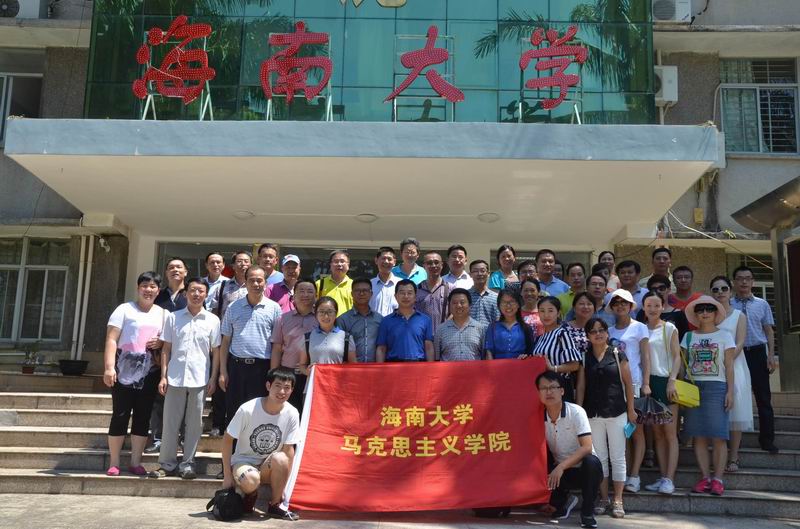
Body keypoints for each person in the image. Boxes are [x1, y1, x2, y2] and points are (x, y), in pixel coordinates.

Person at [155, 277, 220, 480]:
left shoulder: (213, 320)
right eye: (192, 290)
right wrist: (163, 376)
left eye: (201, 291)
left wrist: (213, 378)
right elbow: (166, 349)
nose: (196, 294)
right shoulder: (173, 318)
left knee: (194, 425)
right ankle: (166, 464)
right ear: (186, 293)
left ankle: (188, 464)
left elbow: (216, 352)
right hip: (174, 378)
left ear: (206, 295)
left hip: (200, 379)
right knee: (170, 423)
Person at [103, 271, 166, 477]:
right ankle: (114, 462)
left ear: (158, 290)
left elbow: (167, 343)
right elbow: (111, 339)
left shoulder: (163, 314)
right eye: (144, 286)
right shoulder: (124, 309)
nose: (148, 290)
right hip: (123, 370)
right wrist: (109, 367)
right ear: (138, 288)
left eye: (153, 286)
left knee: (143, 416)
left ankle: (135, 462)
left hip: (150, 371)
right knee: (120, 414)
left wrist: (160, 343)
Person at [221, 367, 301, 520]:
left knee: (282, 458)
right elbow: (227, 439)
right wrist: (227, 476)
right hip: (244, 462)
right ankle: (250, 495)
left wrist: (285, 486)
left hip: (268, 466)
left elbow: (289, 450)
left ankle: (275, 505)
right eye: (278, 386)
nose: (282, 392)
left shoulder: (292, 413)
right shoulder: (248, 409)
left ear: (292, 390)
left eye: (287, 388)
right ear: (268, 386)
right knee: (251, 479)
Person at [576, 317, 636, 519]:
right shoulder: (584, 357)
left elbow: (628, 384)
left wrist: (631, 410)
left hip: (617, 411)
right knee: (599, 457)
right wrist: (579, 412)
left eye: (601, 330)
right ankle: (603, 498)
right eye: (593, 331)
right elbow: (581, 386)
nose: (598, 334)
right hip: (592, 413)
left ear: (607, 333)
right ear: (588, 336)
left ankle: (618, 499)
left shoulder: (618, 354)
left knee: (618, 457)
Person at [682, 295, 736, 496]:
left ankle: (718, 479)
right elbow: (681, 364)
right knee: (698, 435)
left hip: (717, 387)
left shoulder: (725, 336)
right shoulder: (688, 336)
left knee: (719, 435)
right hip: (693, 388)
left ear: (716, 313)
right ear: (695, 314)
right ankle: (705, 477)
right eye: (700, 309)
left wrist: (730, 391)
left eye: (709, 309)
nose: (704, 313)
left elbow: (729, 366)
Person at [219, 266, 283, 429]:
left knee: (259, 413)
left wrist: (273, 373)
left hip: (262, 369)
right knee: (234, 413)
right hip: (236, 368)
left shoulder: (274, 308)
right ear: (246, 283)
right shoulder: (233, 307)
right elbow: (225, 341)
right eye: (251, 280)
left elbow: (277, 344)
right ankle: (234, 446)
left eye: (259, 280)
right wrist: (223, 372)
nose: (256, 284)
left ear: (265, 283)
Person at [539, 370, 602, 529]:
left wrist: (560, 467)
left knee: (591, 462)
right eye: (544, 388)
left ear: (562, 391)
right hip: (559, 471)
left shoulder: (576, 412)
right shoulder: (538, 417)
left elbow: (587, 447)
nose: (548, 392)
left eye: (553, 387)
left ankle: (587, 513)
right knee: (553, 510)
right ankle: (562, 501)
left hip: (583, 469)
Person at [606, 288, 650, 493]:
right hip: (614, 385)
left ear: (631, 306)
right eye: (616, 303)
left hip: (634, 384)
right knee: (621, 433)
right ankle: (622, 475)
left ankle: (635, 475)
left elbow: (646, 357)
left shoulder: (640, 327)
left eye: (624, 302)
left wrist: (646, 383)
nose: (620, 306)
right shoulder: (608, 331)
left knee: (636, 429)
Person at [730, 265, 778, 453]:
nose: (743, 282)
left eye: (747, 278)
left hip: (757, 353)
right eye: (740, 278)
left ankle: (767, 440)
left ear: (753, 281)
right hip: (736, 354)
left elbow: (769, 331)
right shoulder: (728, 304)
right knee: (733, 396)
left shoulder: (762, 304)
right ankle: (732, 440)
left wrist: (770, 355)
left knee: (763, 397)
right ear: (734, 282)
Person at [640, 291, 681, 495]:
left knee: (670, 433)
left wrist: (672, 380)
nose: (653, 309)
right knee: (657, 434)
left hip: (665, 381)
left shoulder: (669, 328)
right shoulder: (640, 328)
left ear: (663, 307)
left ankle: (670, 479)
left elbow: (677, 356)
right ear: (643, 307)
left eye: (657, 305)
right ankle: (663, 476)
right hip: (648, 383)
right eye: (649, 305)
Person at [712, 275, 752, 471]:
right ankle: (718, 456)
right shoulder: (709, 314)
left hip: (735, 366)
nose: (720, 292)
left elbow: (740, 342)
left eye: (724, 288)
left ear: (730, 291)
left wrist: (725, 361)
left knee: (736, 412)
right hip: (711, 370)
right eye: (716, 289)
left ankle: (734, 457)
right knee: (717, 412)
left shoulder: (739, 316)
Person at [148, 258, 188, 454]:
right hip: (159, 356)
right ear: (166, 273)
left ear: (185, 272)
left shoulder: (191, 294)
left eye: (179, 267)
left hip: (184, 355)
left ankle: (181, 439)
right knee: (159, 397)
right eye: (171, 267)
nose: (175, 270)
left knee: (183, 400)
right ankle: (157, 438)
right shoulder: (158, 295)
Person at [270, 278, 317, 413]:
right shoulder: (283, 318)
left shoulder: (321, 319)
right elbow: (277, 348)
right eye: (301, 291)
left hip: (312, 374)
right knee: (287, 412)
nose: (305, 295)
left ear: (316, 296)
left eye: (310, 291)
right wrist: (274, 373)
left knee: (310, 413)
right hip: (287, 374)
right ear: (294, 295)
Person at [531, 296, 582, 401]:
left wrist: (553, 368)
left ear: (558, 313)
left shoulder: (562, 334)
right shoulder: (539, 338)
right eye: (542, 311)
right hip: (543, 389)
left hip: (560, 388)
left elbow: (575, 365)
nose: (546, 315)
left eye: (550, 311)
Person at [299, 297, 357, 383]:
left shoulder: (346, 337)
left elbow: (353, 365)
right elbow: (302, 365)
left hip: (338, 385)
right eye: (321, 312)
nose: (326, 316)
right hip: (315, 385)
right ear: (316, 314)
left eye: (330, 312)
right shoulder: (308, 337)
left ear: (336, 313)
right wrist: (308, 372)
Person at [376, 279, 434, 362]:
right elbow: (381, 349)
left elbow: (429, 347)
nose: (406, 296)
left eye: (409, 293)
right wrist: (380, 368)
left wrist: (430, 368)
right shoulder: (386, 321)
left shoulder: (425, 320)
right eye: (402, 293)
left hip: (418, 365)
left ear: (415, 296)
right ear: (395, 296)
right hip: (394, 365)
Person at [338, 278, 383, 363]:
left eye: (365, 290)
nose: (361, 293)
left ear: (371, 294)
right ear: (352, 294)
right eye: (357, 290)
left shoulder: (380, 319)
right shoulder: (342, 320)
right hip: (350, 368)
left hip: (374, 368)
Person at [434, 288, 486, 361]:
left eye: (462, 302)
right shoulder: (440, 330)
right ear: (449, 306)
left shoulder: (480, 328)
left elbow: (484, 357)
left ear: (470, 305)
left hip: (474, 368)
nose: (458, 306)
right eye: (454, 303)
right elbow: (436, 358)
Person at [485, 289, 534, 360]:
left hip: (520, 365)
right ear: (499, 306)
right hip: (498, 365)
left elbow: (530, 352)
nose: (508, 305)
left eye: (512, 301)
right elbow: (489, 351)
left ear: (518, 304)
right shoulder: (493, 327)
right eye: (504, 302)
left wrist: (526, 356)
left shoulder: (526, 328)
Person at [636, 275, 689, 340]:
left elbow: (684, 339)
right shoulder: (643, 313)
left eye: (662, 288)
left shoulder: (678, 314)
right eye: (654, 289)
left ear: (669, 289)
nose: (658, 291)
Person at [415, 251, 450, 335]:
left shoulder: (450, 288)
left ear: (442, 265)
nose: (434, 265)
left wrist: (444, 329)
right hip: (421, 335)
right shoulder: (416, 289)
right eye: (429, 263)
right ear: (424, 266)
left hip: (443, 335)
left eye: (436, 262)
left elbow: (454, 312)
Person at [315, 250, 353, 317]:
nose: (339, 264)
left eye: (342, 261)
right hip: (325, 321)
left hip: (348, 322)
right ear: (330, 264)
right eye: (336, 261)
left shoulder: (353, 285)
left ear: (348, 265)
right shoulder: (320, 284)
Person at [215, 251, 251, 318]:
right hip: (227, 324)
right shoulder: (222, 286)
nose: (243, 264)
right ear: (233, 266)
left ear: (251, 265)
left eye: (246, 261)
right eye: (239, 261)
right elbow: (215, 309)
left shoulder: (256, 286)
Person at [467, 260, 500, 326]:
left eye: (482, 271)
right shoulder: (465, 296)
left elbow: (498, 319)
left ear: (488, 274)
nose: (479, 274)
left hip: (490, 332)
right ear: (470, 274)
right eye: (475, 271)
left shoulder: (496, 297)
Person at [370, 247, 400, 317]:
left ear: (394, 262)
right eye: (383, 258)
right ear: (376, 260)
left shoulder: (401, 284)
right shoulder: (370, 285)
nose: (386, 261)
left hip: (396, 323)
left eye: (389, 259)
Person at [565, 292, 595, 358]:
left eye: (589, 304)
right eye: (581, 304)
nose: (585, 307)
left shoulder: (600, 328)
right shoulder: (564, 329)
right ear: (574, 308)